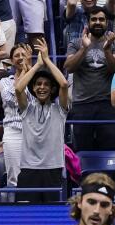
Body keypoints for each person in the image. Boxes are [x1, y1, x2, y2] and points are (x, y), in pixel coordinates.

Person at [16, 41, 71, 202]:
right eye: (38, 84)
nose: (42, 87)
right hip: (28, 169)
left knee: (51, 216)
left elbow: (64, 84)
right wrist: (37, 65)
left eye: (46, 84)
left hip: (52, 169)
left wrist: (46, 60)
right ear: (33, 88)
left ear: (52, 89)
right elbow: (19, 89)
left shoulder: (59, 110)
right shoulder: (27, 109)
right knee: (25, 216)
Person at [65, 7, 115, 152]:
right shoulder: (76, 43)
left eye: (101, 19)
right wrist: (83, 48)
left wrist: (107, 50)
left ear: (107, 23)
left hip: (107, 104)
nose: (97, 22)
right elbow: (69, 67)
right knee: (82, 150)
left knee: (109, 149)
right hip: (82, 104)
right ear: (88, 23)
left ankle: (108, 176)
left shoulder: (114, 43)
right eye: (94, 19)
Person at [0, 42, 32, 188]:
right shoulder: (5, 81)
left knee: (35, 174)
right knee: (14, 177)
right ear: (11, 61)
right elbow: (11, 99)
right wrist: (25, 72)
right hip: (13, 131)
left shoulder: (38, 80)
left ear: (30, 57)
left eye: (23, 54)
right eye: (17, 55)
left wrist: (29, 71)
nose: (20, 58)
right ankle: (17, 209)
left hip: (34, 131)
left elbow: (37, 101)